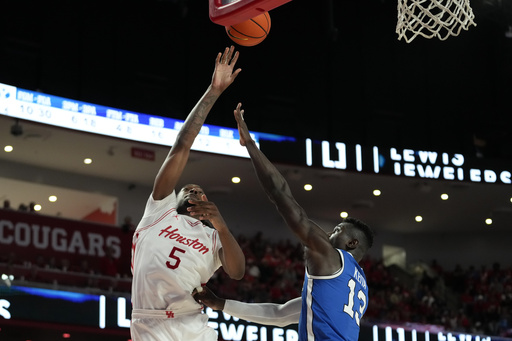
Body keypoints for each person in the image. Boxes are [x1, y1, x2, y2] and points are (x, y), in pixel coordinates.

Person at [195, 103, 375, 341]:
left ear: (352, 243)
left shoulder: (330, 257)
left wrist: (249, 144)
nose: (330, 233)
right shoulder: (359, 286)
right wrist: (220, 304)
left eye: (338, 230)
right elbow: (279, 314)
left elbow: (280, 193)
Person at [130, 46, 246, 341]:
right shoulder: (159, 209)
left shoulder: (212, 237)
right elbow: (182, 145)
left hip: (191, 323)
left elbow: (237, 271)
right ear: (175, 197)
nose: (195, 190)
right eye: (188, 189)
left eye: (201, 191)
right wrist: (214, 91)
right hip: (148, 323)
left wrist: (221, 227)